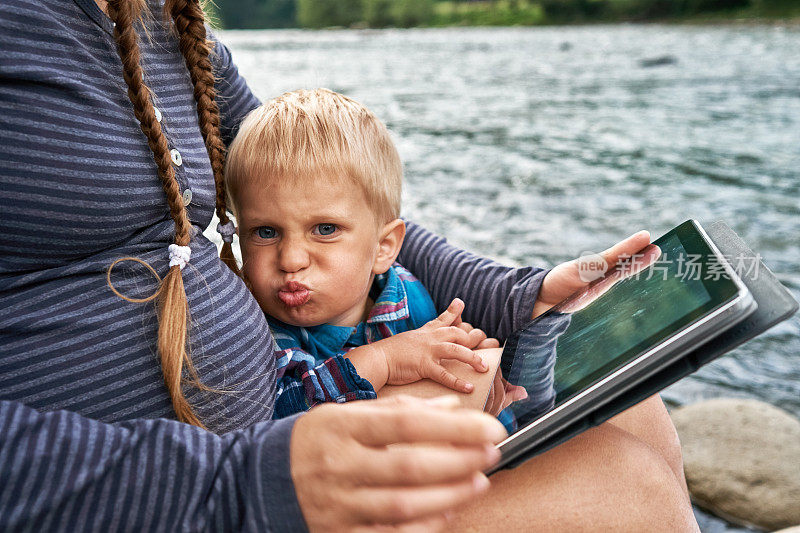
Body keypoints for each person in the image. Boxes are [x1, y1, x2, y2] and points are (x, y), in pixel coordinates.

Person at [0, 0, 698, 531]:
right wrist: (248, 483)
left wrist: (522, 293)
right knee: (622, 486)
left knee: (634, 409)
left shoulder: (163, 23)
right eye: (266, 234)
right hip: (165, 496)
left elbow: (332, 194)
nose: (292, 254)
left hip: (254, 452)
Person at [226, 88, 505, 419]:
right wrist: (383, 360)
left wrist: (462, 355)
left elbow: (442, 368)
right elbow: (280, 415)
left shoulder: (406, 294)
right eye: (266, 232)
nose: (291, 260)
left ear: (383, 248)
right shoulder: (251, 329)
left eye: (325, 229)